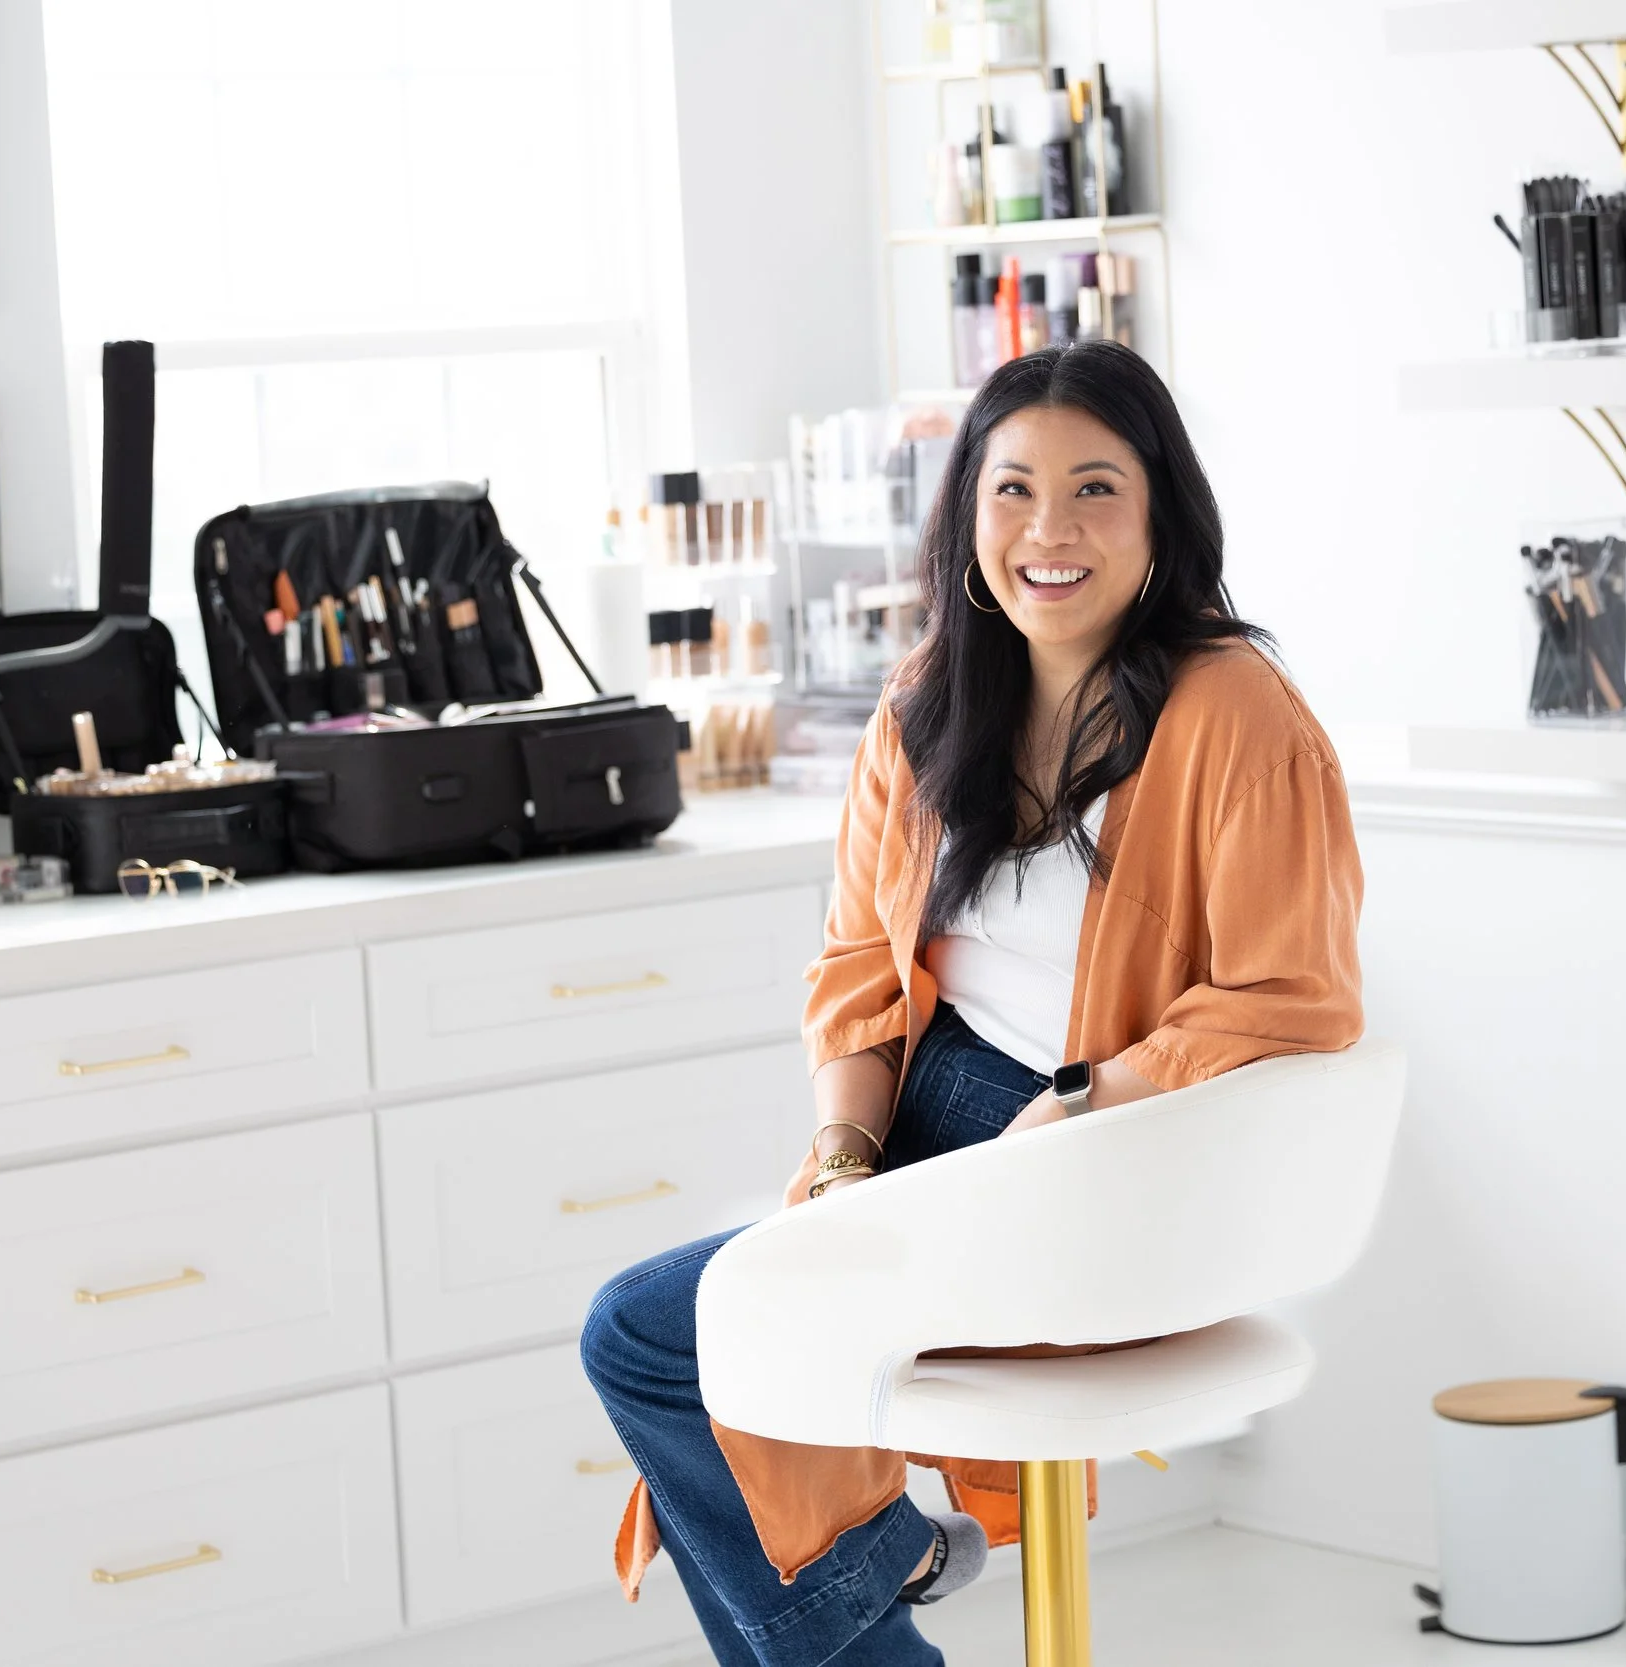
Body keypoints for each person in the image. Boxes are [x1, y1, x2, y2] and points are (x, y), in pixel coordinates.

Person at [579, 341, 1365, 1667]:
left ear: (1162, 516)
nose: (1049, 530)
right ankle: (877, 1574)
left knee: (660, 1334)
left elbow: (1292, 996)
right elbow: (856, 982)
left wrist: (1088, 1099)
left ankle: (879, 1579)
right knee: (684, 1339)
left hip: (1100, 1151)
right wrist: (839, 1155)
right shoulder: (923, 706)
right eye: (1013, 491)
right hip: (922, 1131)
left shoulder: (1236, 710)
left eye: (1097, 488)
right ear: (967, 518)